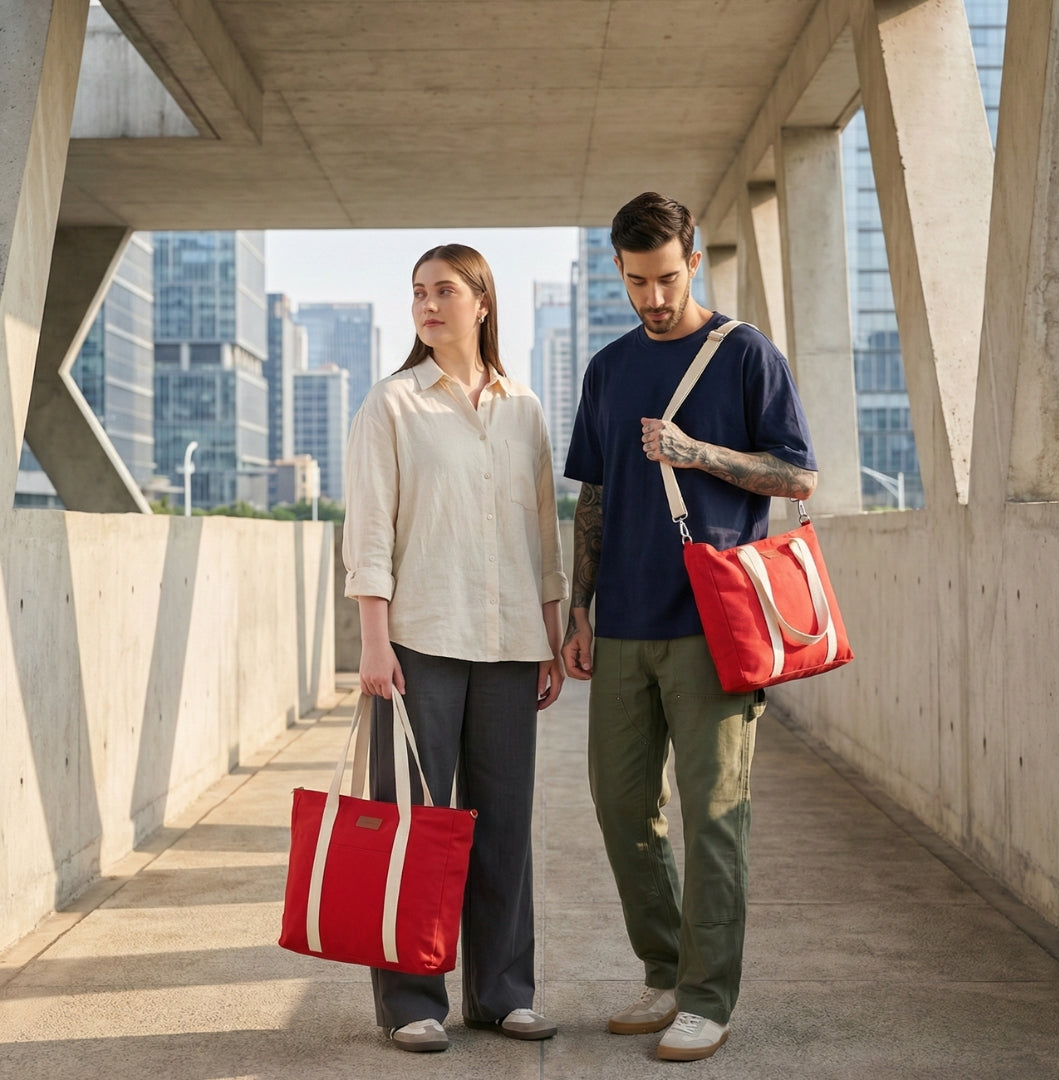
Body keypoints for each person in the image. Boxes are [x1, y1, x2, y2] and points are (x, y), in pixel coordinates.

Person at [562, 192, 818, 1062]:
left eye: (666, 277)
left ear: (694, 260)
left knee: (715, 817)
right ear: (620, 273)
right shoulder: (606, 368)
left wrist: (696, 452)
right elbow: (593, 497)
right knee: (622, 806)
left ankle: (708, 998)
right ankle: (665, 972)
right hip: (625, 623)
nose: (653, 297)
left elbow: (797, 478)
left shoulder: (747, 355)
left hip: (717, 624)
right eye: (636, 281)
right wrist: (579, 608)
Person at [343, 243, 568, 1053]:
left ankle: (503, 994)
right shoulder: (392, 405)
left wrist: (549, 636)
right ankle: (411, 1001)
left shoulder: (525, 409)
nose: (428, 305)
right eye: (417, 293)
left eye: (444, 290)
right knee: (415, 822)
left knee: (504, 823)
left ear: (482, 301)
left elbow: (542, 536)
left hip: (510, 644)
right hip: (419, 642)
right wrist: (374, 642)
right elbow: (368, 532)